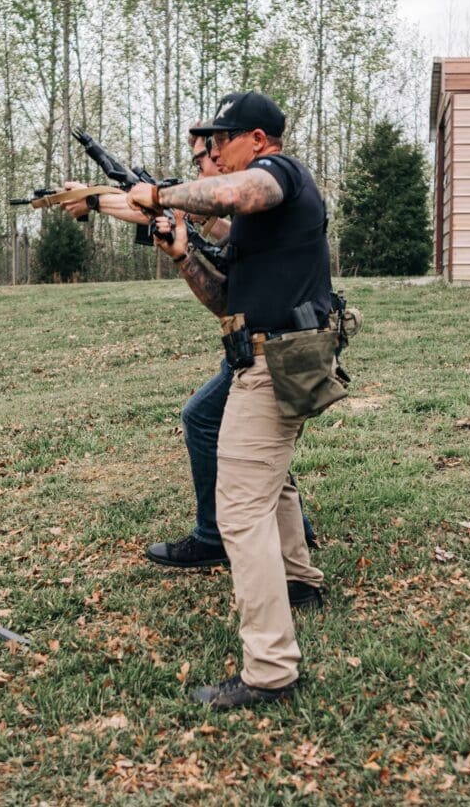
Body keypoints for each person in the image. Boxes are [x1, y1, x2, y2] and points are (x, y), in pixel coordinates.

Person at [128, 90, 331, 709]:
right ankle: (299, 580)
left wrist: (160, 195)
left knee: (239, 514)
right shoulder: (255, 225)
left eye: (222, 141)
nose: (213, 153)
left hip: (277, 365)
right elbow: (225, 301)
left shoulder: (281, 176)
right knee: (273, 482)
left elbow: (230, 194)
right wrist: (184, 254)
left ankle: (270, 669)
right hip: (266, 357)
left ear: (259, 141)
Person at [61, 138, 317, 578]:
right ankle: (296, 550)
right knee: (254, 444)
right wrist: (105, 203)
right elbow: (173, 219)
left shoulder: (255, 194)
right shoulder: (234, 208)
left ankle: (219, 538)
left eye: (206, 156)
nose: (204, 165)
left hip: (277, 346)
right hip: (259, 341)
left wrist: (99, 199)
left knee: (209, 422)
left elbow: (172, 207)